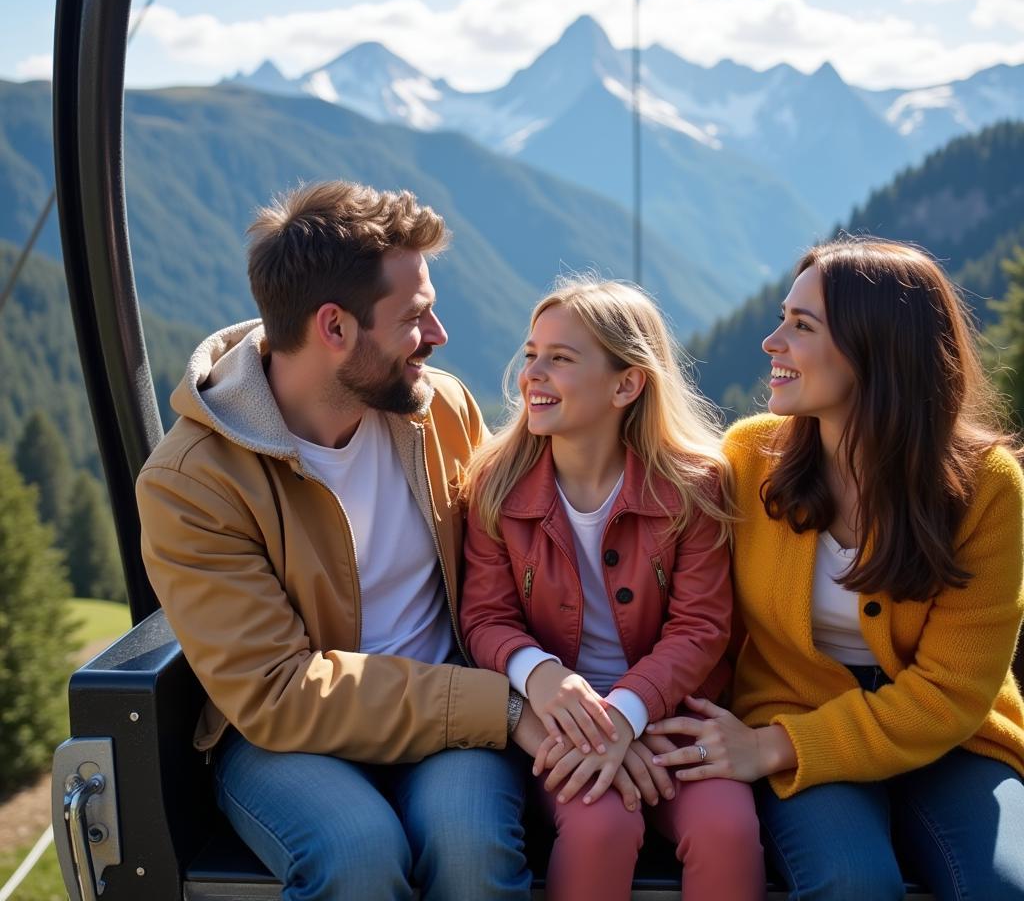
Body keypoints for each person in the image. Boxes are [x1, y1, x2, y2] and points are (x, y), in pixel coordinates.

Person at [135, 181, 533, 901]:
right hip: (289, 738)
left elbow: (504, 562)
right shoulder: (193, 482)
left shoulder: (437, 409)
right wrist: (501, 708)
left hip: (449, 707)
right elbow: (275, 691)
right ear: (334, 328)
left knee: (471, 848)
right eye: (415, 317)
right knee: (356, 854)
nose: (439, 336)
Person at [647, 236, 1024, 900]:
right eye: (780, 318)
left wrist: (769, 749)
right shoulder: (750, 457)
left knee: (1005, 885)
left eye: (801, 326)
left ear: (875, 347)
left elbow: (953, 691)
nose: (771, 342)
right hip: (794, 715)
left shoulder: (986, 485)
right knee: (851, 882)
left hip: (952, 740)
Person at [459, 277, 764, 901]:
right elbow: (484, 616)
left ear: (627, 385)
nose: (532, 374)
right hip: (559, 724)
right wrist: (540, 674)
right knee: (600, 825)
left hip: (674, 717)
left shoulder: (694, 487)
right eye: (531, 354)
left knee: (725, 831)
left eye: (561, 359)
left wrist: (627, 713)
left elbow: (701, 628)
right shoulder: (495, 483)